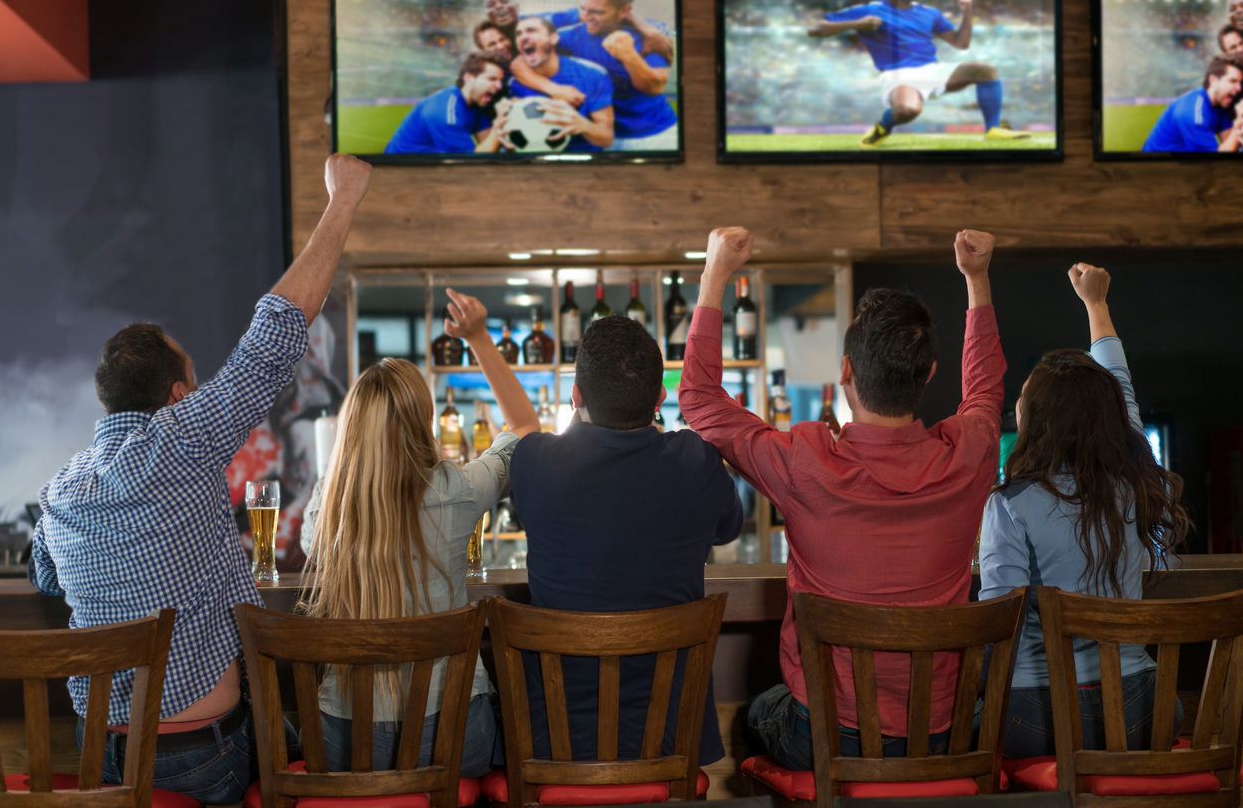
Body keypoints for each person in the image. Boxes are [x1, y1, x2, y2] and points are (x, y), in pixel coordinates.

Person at [28, 153, 373, 804]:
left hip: (99, 754)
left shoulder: (60, 488)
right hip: (198, 753)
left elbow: (45, 575)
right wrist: (342, 203)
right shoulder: (183, 439)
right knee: (304, 742)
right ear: (181, 394)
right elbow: (274, 334)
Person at [680, 226, 1005, 770]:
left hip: (826, 737)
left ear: (846, 373)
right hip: (943, 737)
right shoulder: (968, 455)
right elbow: (986, 389)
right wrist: (977, 279)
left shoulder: (806, 461)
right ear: (928, 374)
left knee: (750, 715)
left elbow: (699, 399)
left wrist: (715, 273)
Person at [299, 289, 540, 774]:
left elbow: (315, 552)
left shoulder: (328, 504)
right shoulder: (459, 488)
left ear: (353, 428)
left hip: (342, 744)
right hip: (452, 735)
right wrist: (477, 338)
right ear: (425, 421)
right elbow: (527, 429)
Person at [508, 315, 743, 766]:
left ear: (576, 395)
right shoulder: (695, 459)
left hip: (552, 748)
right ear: (659, 397)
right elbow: (729, 528)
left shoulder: (534, 460)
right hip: (671, 743)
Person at [978, 264, 1191, 758]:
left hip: (1038, 719)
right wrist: (1096, 305)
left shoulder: (1009, 506)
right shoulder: (1136, 481)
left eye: (1023, 402)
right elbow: (1120, 388)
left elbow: (996, 629)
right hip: (1147, 709)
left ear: (1034, 422)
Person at [810, 0, 1031, 148]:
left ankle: (992, 128)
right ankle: (882, 127)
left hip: (932, 69)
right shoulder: (870, 9)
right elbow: (815, 30)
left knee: (985, 69)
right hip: (898, 74)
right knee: (907, 111)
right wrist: (856, 24)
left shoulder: (930, 12)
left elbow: (960, 43)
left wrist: (968, 12)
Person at [554, 0, 679, 151]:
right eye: (583, 8)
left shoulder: (651, 33)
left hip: (658, 133)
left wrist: (628, 55)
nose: (586, 17)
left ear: (625, 11)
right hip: (606, 137)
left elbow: (655, 87)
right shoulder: (568, 38)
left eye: (597, 12)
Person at [508, 16, 615, 151]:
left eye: (532, 31)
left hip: (583, 163)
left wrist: (583, 125)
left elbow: (607, 138)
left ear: (554, 38)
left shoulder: (593, 75)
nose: (523, 37)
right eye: (519, 34)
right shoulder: (515, 84)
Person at [385, 53, 509, 154]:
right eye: (492, 79)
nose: (499, 86)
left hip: (429, 170)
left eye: (500, 80)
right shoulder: (446, 112)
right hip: (400, 172)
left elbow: (489, 148)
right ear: (469, 78)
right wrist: (499, 125)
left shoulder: (478, 104)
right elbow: (473, 162)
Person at [1142, 55, 1243, 153]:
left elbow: (1231, 148)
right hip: (1155, 169)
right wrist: (1237, 127)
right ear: (1213, 80)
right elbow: (1216, 163)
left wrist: (1241, 127)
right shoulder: (1194, 113)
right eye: (1233, 81)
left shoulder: (1220, 103)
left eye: (1240, 82)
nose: (1239, 88)